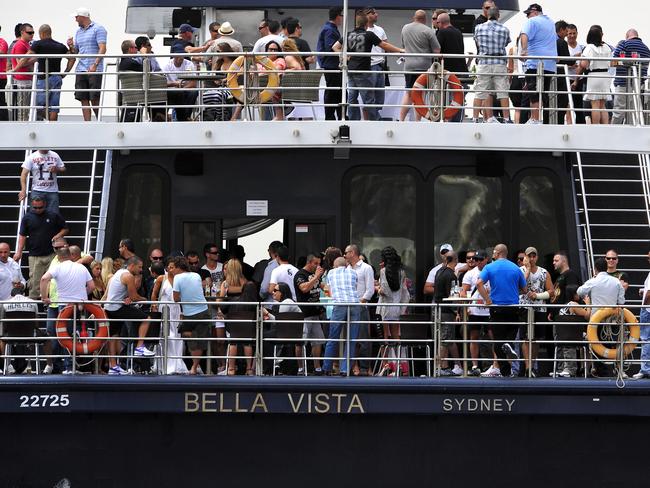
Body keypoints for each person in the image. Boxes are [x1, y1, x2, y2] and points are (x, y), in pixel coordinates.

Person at [333, 11, 403, 121]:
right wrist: (400, 50)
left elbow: (335, 47)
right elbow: (384, 45)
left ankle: (353, 120)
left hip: (351, 70)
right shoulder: (369, 34)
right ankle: (374, 120)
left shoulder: (348, 35)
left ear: (356, 24)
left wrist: (345, 57)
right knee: (368, 98)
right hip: (363, 70)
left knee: (352, 97)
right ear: (366, 25)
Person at [476, 243, 527, 378]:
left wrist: (487, 300)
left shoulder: (490, 267)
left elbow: (478, 283)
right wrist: (511, 290)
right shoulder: (516, 268)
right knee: (509, 338)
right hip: (513, 308)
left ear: (497, 253)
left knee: (498, 341)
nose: (492, 254)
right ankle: (508, 350)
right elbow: (525, 289)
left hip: (496, 308)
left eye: (493, 252)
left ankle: (505, 372)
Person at [103, 256, 155, 375]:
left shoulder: (119, 273)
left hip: (110, 308)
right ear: (132, 265)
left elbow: (124, 294)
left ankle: (113, 367)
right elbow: (135, 297)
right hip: (117, 308)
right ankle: (140, 347)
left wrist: (127, 298)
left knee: (113, 336)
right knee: (147, 318)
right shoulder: (128, 276)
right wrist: (146, 299)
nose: (141, 270)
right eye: (140, 267)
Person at [11, 24, 73, 121]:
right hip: (57, 77)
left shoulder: (38, 44)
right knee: (54, 107)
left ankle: (48, 120)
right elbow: (72, 58)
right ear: (50, 33)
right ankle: (52, 127)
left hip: (43, 78)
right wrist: (65, 72)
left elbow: (25, 58)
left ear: (42, 33)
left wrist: (15, 69)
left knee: (37, 106)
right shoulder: (60, 46)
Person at [14, 197, 68, 299]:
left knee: (53, 281)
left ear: (45, 205)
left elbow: (65, 229)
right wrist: (19, 251)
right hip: (34, 255)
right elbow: (22, 235)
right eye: (35, 207)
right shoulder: (27, 217)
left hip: (51, 253)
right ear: (32, 206)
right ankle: (34, 308)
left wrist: (57, 236)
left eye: (40, 207)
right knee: (34, 281)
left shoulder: (53, 215)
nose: (38, 209)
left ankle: (52, 304)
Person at [472, 7, 512, 123]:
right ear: (498, 15)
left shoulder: (479, 28)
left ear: (487, 15)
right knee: (503, 92)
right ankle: (506, 119)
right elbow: (505, 43)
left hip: (484, 62)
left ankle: (475, 119)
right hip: (499, 62)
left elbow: (478, 42)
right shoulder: (504, 29)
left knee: (480, 91)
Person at [399, 10, 441, 121]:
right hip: (423, 67)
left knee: (408, 94)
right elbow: (437, 50)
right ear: (425, 19)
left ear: (414, 17)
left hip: (408, 67)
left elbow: (403, 45)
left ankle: (401, 119)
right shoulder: (428, 31)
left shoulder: (405, 28)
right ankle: (417, 121)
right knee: (420, 95)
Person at [171, 256, 210, 375]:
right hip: (203, 310)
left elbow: (175, 298)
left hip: (189, 313)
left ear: (178, 267)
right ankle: (195, 367)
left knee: (190, 338)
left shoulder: (177, 278)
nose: (172, 270)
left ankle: (194, 367)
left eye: (173, 268)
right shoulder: (196, 275)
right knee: (199, 340)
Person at [518, 246, 553, 377]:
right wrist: (527, 268)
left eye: (534, 256)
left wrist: (538, 296)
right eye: (529, 256)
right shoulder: (520, 270)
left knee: (536, 338)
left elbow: (551, 291)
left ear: (537, 257)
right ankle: (527, 367)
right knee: (525, 338)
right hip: (524, 307)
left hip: (539, 307)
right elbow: (519, 286)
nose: (531, 258)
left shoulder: (544, 272)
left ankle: (532, 365)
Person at [519, 3, 557, 124]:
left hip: (535, 63)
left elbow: (524, 35)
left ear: (534, 12)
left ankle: (535, 118)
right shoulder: (551, 22)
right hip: (550, 65)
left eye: (528, 14)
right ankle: (540, 118)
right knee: (543, 91)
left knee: (533, 91)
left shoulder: (532, 21)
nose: (527, 17)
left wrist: (524, 51)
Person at [67, 7, 107, 121]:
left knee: (94, 98)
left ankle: (99, 120)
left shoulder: (98, 29)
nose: (75, 19)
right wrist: (71, 46)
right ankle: (87, 123)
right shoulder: (78, 32)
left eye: (76, 17)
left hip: (95, 69)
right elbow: (76, 51)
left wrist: (95, 64)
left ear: (82, 17)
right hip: (81, 69)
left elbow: (103, 48)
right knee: (83, 98)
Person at [322, 257, 360, 375]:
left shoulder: (331, 273)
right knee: (351, 339)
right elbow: (355, 286)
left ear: (335, 265)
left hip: (339, 304)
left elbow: (328, 290)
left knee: (333, 337)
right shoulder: (354, 272)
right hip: (354, 304)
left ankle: (327, 368)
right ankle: (345, 369)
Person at [150, 257, 188, 375]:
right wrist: (154, 305)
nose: (171, 269)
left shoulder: (180, 279)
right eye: (169, 267)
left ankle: (177, 364)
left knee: (177, 336)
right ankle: (163, 364)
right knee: (166, 335)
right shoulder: (162, 278)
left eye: (173, 267)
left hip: (176, 310)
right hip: (164, 309)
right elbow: (154, 294)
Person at [376, 246, 410, 374]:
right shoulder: (401, 272)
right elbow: (405, 293)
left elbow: (384, 291)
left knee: (385, 337)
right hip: (397, 308)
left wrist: (377, 289)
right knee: (396, 337)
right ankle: (401, 366)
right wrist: (402, 307)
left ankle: (388, 365)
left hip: (385, 308)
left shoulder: (384, 271)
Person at [294, 253, 325, 375]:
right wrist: (316, 276)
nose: (318, 266)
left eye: (319, 264)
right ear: (309, 262)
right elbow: (304, 288)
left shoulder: (315, 275)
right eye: (315, 263)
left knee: (318, 340)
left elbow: (323, 286)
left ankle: (317, 367)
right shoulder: (300, 275)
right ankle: (300, 368)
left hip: (315, 312)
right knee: (301, 341)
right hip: (304, 314)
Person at [611, 29, 650, 125]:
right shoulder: (646, 48)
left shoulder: (624, 44)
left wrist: (622, 63)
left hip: (622, 82)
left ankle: (613, 130)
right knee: (633, 111)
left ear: (627, 36)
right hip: (638, 85)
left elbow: (613, 62)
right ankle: (632, 131)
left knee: (619, 111)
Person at [436, 12, 469, 122]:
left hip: (449, 70)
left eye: (437, 23)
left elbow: (437, 51)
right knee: (459, 98)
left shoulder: (442, 32)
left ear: (441, 23)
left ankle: (447, 120)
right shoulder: (458, 32)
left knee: (447, 98)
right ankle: (457, 120)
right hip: (462, 70)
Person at [433, 251, 463, 376]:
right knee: (445, 339)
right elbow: (452, 296)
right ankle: (439, 367)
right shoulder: (451, 276)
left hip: (437, 309)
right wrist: (457, 311)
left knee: (445, 339)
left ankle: (445, 366)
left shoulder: (439, 272)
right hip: (446, 311)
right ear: (455, 260)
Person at [577, 26, 613, 124]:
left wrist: (580, 61)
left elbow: (584, 64)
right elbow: (611, 63)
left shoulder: (589, 47)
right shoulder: (607, 47)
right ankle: (605, 126)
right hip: (605, 75)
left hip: (594, 76)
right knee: (603, 105)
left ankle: (596, 126)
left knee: (595, 104)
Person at [553, 284, 590, 378]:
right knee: (591, 337)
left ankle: (561, 369)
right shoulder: (573, 304)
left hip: (560, 336)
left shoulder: (564, 305)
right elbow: (587, 316)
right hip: (572, 336)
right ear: (574, 294)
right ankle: (575, 369)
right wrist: (588, 304)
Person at [316, 7, 344, 120]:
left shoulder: (329, 28)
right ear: (338, 16)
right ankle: (330, 116)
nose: (342, 18)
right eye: (342, 16)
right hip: (331, 64)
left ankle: (334, 115)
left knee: (335, 91)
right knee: (333, 91)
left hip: (331, 64)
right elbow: (331, 47)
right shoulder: (330, 30)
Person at [225, 282, 258, 375]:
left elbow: (223, 309)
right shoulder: (255, 304)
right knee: (247, 343)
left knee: (233, 342)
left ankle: (231, 369)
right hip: (248, 332)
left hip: (233, 330)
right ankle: (249, 369)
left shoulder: (233, 300)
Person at [19, 149, 66, 214]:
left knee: (53, 216)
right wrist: (23, 190)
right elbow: (24, 174)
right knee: (34, 215)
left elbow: (63, 168)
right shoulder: (32, 157)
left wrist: (57, 169)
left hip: (52, 191)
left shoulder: (55, 155)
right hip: (37, 190)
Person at [164, 47, 197, 122]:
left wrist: (182, 88)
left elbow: (193, 83)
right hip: (172, 90)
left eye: (182, 55)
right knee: (171, 94)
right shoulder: (167, 65)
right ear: (174, 56)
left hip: (185, 88)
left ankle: (186, 117)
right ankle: (165, 115)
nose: (181, 57)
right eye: (178, 55)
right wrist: (174, 84)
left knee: (194, 92)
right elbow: (163, 83)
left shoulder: (189, 64)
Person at [10, 23, 34, 121]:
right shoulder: (20, 45)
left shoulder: (26, 44)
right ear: (22, 33)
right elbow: (20, 63)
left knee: (27, 107)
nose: (32, 35)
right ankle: (23, 126)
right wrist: (35, 59)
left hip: (26, 79)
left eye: (33, 32)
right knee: (23, 108)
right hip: (23, 81)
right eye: (29, 33)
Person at [633, 251, 650, 379]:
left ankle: (645, 369)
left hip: (648, 310)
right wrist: (643, 292)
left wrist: (644, 306)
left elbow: (649, 293)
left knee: (645, 339)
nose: (648, 259)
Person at [0, 27, 8, 122]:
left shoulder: (2, 42)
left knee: (1, 100)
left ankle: (4, 120)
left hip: (1, 77)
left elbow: (1, 53)